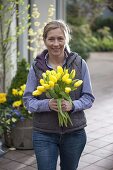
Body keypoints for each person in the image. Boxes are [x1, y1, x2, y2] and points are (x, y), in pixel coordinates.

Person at [23, 20, 95, 170]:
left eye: (60, 38)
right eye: (51, 39)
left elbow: (88, 98)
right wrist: (47, 104)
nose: (56, 43)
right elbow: (28, 100)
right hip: (44, 134)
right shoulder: (36, 67)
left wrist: (72, 105)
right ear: (44, 40)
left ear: (66, 39)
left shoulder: (79, 63)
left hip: (74, 133)